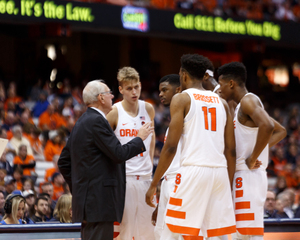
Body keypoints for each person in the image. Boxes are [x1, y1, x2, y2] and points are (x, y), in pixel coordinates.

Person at [146, 54, 236, 239]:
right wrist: (228, 182)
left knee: (173, 231)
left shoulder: (182, 99)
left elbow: (170, 147)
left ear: (183, 75)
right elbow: (231, 150)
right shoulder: (223, 103)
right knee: (212, 234)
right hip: (220, 172)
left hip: (194, 170)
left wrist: (153, 184)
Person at [58, 80, 153, 240]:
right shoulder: (97, 121)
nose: (112, 96)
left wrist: (81, 191)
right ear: (101, 98)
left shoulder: (82, 121)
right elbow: (119, 154)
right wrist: (139, 138)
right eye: (110, 93)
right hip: (99, 202)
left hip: (91, 202)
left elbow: (63, 162)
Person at [217, 62, 287, 240]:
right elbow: (280, 131)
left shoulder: (248, 100)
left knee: (248, 234)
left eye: (221, 83)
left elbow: (269, 126)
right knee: (242, 234)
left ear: (231, 83)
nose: (220, 88)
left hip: (249, 175)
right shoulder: (243, 105)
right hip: (246, 175)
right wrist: (256, 151)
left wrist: (253, 156)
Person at [106, 67, 156, 240]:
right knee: (123, 233)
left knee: (150, 231)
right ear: (120, 90)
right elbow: (106, 147)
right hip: (123, 180)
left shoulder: (148, 109)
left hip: (145, 179)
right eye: (129, 88)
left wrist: (150, 168)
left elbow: (152, 141)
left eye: (136, 87)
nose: (134, 92)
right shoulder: (113, 112)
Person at [152, 74, 181, 240]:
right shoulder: (174, 119)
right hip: (169, 183)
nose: (160, 94)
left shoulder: (186, 117)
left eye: (165, 90)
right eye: (159, 91)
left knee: (173, 235)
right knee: (161, 234)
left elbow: (170, 151)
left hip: (179, 183)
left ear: (178, 90)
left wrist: (153, 184)